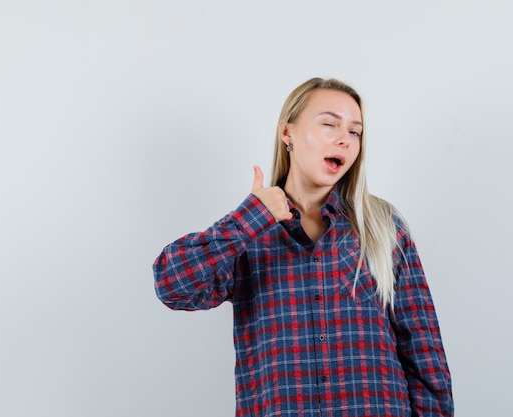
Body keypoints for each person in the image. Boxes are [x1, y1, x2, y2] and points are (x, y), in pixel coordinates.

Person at [153, 77, 454, 416]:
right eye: (329, 124)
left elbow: (425, 354)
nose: (345, 139)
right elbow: (172, 286)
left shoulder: (385, 226)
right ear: (288, 133)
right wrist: (251, 218)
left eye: (355, 132)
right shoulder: (249, 235)